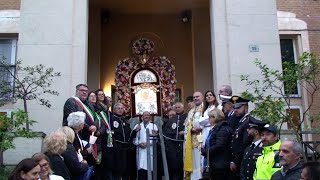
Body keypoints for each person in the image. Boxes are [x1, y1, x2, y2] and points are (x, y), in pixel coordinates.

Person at [200, 108, 233, 180]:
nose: (208, 119)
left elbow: (220, 146)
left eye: (209, 117)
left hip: (220, 164)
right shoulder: (216, 128)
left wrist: (206, 151)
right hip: (215, 163)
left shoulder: (222, 129)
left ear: (215, 117)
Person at [110, 102, 140, 180]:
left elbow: (129, 135)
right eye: (118, 108)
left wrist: (135, 131)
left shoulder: (124, 121)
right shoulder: (111, 119)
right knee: (117, 169)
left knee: (125, 169)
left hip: (125, 149)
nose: (120, 110)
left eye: (122, 108)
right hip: (116, 147)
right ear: (114, 109)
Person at [230, 95, 255, 179]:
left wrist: (235, 161)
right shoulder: (240, 122)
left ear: (246, 107)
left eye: (238, 107)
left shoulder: (248, 122)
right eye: (234, 108)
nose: (235, 110)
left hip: (243, 161)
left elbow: (245, 144)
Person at [162, 102, 187, 180]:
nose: (177, 109)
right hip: (173, 149)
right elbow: (166, 133)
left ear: (183, 108)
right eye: (176, 107)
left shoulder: (187, 117)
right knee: (174, 168)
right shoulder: (172, 119)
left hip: (184, 146)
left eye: (179, 107)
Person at [184, 91, 204, 180]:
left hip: (202, 141)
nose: (195, 98)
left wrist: (200, 127)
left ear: (202, 97)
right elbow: (187, 125)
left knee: (201, 163)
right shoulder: (191, 111)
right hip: (191, 141)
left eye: (197, 97)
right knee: (194, 165)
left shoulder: (205, 108)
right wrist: (190, 129)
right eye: (194, 97)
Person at [133, 111, 158, 180]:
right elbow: (134, 139)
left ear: (150, 117)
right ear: (142, 117)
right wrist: (139, 143)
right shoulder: (137, 126)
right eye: (145, 115)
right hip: (140, 150)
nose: (146, 116)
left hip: (150, 150)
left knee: (150, 171)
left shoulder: (154, 126)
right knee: (141, 172)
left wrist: (148, 143)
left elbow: (156, 139)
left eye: (148, 115)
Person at [199, 91, 219, 168]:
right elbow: (200, 121)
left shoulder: (218, 106)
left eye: (210, 95)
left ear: (214, 97)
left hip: (213, 129)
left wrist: (205, 121)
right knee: (204, 148)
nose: (208, 96)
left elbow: (216, 118)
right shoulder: (205, 109)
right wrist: (207, 120)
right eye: (207, 95)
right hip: (205, 131)